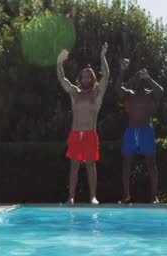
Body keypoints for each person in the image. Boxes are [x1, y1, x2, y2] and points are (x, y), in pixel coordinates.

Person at [57, 43, 110, 205]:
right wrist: (59, 62)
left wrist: (102, 57)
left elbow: (106, 76)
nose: (86, 78)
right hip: (75, 133)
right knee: (74, 166)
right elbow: (62, 79)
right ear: (80, 79)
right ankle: (71, 197)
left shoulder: (97, 94)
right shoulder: (75, 93)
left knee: (90, 166)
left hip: (90, 134)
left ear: (92, 79)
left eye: (89, 76)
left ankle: (93, 196)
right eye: (84, 76)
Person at [115, 59, 163, 203]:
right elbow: (117, 88)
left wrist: (148, 78)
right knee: (126, 163)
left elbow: (160, 91)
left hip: (145, 131)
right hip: (131, 131)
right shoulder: (129, 93)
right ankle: (126, 195)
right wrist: (123, 70)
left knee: (151, 163)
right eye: (139, 77)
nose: (140, 79)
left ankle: (154, 196)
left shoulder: (150, 94)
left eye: (143, 77)